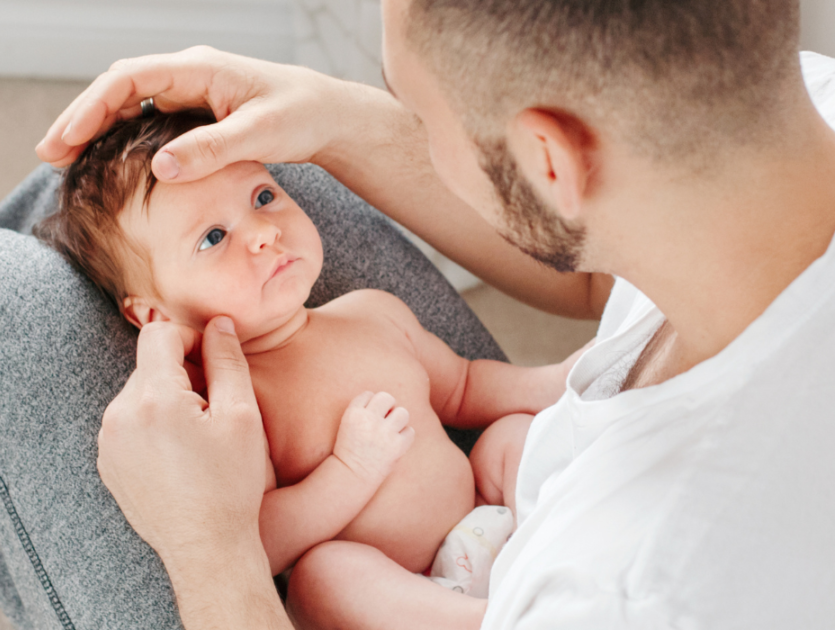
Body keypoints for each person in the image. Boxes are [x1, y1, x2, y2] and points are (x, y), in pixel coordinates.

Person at [28, 0, 835, 628]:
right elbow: (596, 284)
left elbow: (455, 391)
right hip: (497, 517)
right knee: (81, 210)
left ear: (549, 162)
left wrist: (204, 545)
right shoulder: (802, 105)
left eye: (410, 104)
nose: (276, 218)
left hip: (463, 586)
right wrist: (334, 115)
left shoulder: (632, 595)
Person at [35, 108, 582, 598]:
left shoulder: (373, 312)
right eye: (213, 237)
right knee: (327, 577)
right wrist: (349, 471)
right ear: (153, 316)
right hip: (400, 594)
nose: (263, 234)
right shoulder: (230, 405)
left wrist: (560, 379)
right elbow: (257, 544)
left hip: (487, 524)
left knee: (510, 438)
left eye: (264, 197)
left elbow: (463, 386)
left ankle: (567, 556)